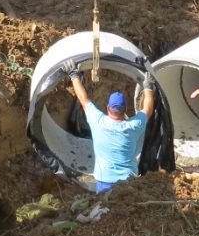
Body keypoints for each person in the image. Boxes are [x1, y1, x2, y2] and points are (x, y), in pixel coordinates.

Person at [61, 62, 156, 193]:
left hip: (104, 180)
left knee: (105, 210)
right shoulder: (134, 125)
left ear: (107, 108)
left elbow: (83, 99)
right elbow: (148, 109)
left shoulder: (98, 121)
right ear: (125, 110)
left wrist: (73, 75)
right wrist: (148, 87)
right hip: (129, 181)